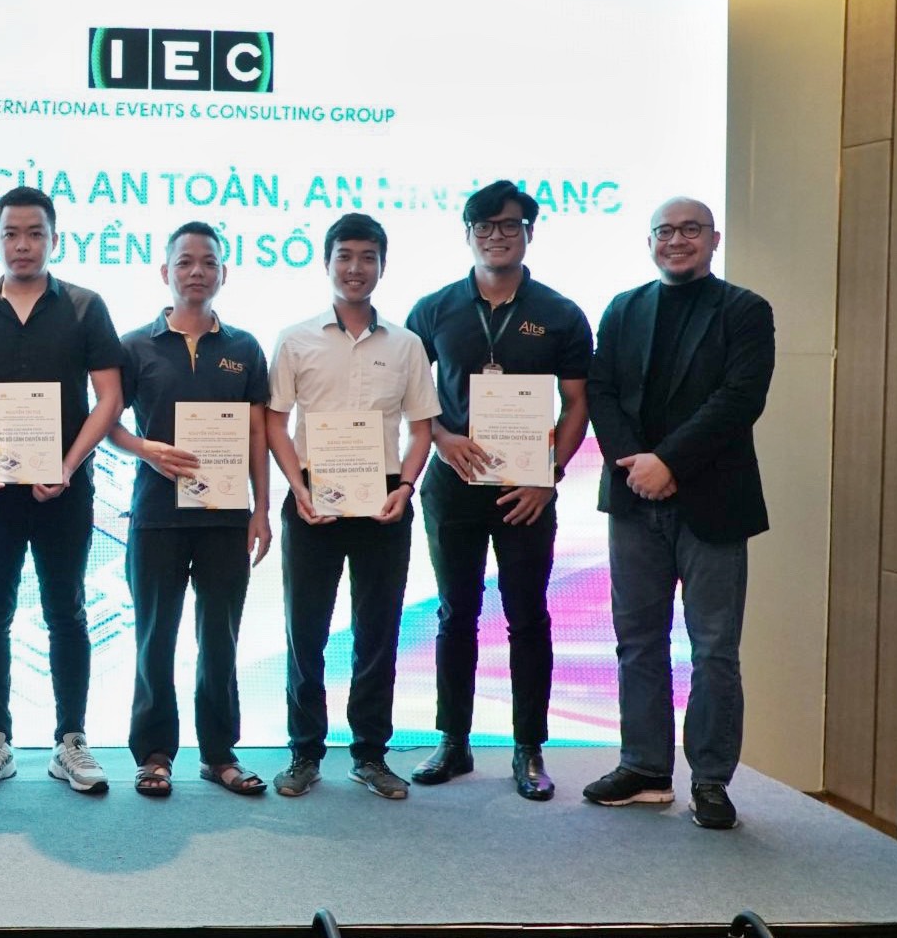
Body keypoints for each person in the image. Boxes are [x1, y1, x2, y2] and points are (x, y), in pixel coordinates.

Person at [584, 197, 774, 830]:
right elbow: (601, 393)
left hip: (713, 502)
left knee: (714, 649)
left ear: (713, 239)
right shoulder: (623, 308)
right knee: (637, 641)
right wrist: (636, 466)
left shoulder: (745, 310)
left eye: (690, 229)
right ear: (649, 242)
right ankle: (644, 767)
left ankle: (711, 779)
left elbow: (739, 399)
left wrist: (668, 462)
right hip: (633, 499)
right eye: (664, 231)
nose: (676, 240)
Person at [403, 180, 592, 801]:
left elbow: (577, 403)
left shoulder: (560, 313)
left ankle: (528, 748)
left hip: (525, 489)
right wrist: (440, 438)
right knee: (455, 613)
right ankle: (452, 741)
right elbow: (407, 393)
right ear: (468, 235)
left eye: (509, 225)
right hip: (454, 482)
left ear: (529, 232)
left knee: (527, 615)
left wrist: (549, 475)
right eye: (483, 227)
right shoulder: (435, 309)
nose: (496, 237)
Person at [0, 185, 124, 793]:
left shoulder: (85, 307)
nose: (22, 244)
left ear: (54, 238)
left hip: (64, 488)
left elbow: (109, 399)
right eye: (11, 234)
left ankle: (70, 740)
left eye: (34, 233)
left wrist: (70, 464)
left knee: (66, 610)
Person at [264, 212, 438, 801]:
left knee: (378, 631)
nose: (356, 268)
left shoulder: (407, 344)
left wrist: (405, 487)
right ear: (327, 262)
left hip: (385, 497)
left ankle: (370, 754)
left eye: (368, 257)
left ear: (382, 265)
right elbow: (275, 421)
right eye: (345, 256)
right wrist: (298, 487)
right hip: (312, 495)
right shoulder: (295, 339)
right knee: (305, 630)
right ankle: (304, 752)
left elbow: (421, 428)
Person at [106, 220, 273, 797]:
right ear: (165, 272)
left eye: (208, 263)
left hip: (226, 517)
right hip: (156, 516)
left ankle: (219, 754)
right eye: (185, 262)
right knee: (155, 638)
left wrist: (261, 509)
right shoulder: (134, 346)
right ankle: (154, 754)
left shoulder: (244, 348)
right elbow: (107, 425)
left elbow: (257, 433)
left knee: (220, 639)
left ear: (223, 273)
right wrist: (145, 449)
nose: (197, 272)